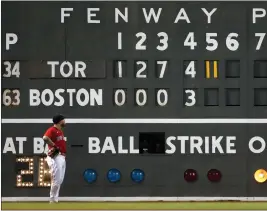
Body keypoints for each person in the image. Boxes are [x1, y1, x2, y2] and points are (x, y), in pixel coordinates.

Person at [43, 114, 67, 203]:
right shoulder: (52, 130)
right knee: (57, 179)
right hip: (56, 156)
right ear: (60, 121)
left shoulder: (60, 131)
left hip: (62, 156)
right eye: (64, 120)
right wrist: (54, 145)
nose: (65, 121)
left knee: (60, 179)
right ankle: (52, 199)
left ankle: (55, 200)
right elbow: (45, 138)